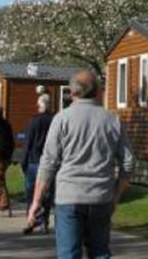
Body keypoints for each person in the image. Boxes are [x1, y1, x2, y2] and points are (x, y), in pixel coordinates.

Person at [28, 70, 133, 259]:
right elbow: (128, 162)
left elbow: (49, 163)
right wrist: (115, 196)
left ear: (72, 92)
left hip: (69, 197)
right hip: (101, 197)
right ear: (99, 91)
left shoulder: (62, 119)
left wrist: (36, 201)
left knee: (69, 254)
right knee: (100, 253)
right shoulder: (112, 121)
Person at [21, 93, 55, 234]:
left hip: (34, 161)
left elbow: (28, 143)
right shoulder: (55, 120)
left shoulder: (33, 122)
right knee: (46, 193)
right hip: (50, 161)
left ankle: (32, 218)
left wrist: (24, 161)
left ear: (39, 105)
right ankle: (44, 221)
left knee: (31, 192)